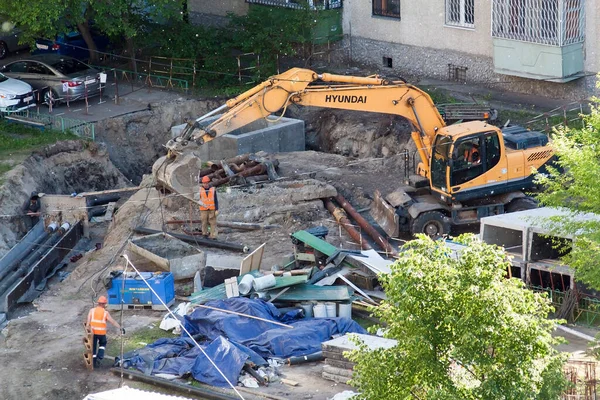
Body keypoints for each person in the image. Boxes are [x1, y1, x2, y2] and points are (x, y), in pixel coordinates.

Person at [86, 295, 124, 368]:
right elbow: (112, 321)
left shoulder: (92, 311)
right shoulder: (105, 313)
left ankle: (93, 363)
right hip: (101, 333)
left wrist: (88, 332)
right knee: (102, 344)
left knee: (93, 347)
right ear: (103, 304)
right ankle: (99, 357)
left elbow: (88, 323)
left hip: (93, 333)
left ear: (98, 303)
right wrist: (120, 327)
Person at [199, 175, 218, 239]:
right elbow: (196, 199)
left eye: (207, 183)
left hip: (212, 209)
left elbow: (215, 200)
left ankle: (213, 235)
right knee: (204, 222)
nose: (205, 184)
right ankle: (204, 234)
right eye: (204, 183)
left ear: (208, 182)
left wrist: (216, 209)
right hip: (203, 209)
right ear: (202, 183)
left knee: (212, 222)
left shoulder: (213, 189)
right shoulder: (200, 190)